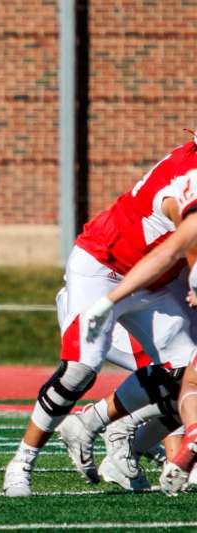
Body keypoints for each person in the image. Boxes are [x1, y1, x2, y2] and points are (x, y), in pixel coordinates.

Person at [3, 135, 197, 497]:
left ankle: (109, 430)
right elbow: (178, 249)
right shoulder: (188, 182)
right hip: (104, 267)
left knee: (189, 371)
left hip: (156, 280)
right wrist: (110, 301)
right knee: (80, 368)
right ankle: (22, 462)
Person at [80, 150, 197, 494]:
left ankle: (121, 433)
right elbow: (169, 253)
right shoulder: (181, 187)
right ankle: (116, 430)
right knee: (181, 377)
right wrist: (109, 301)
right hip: (123, 299)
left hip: (146, 295)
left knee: (185, 379)